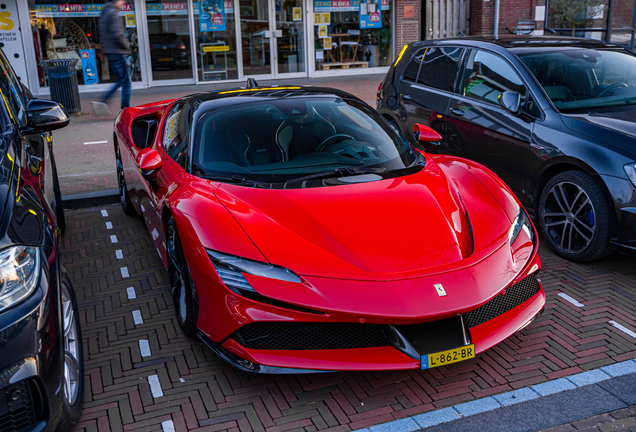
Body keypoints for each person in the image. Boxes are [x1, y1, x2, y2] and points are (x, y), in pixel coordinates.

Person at [93, 0, 131, 115]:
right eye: (122, 1)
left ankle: (104, 101)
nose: (123, 3)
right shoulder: (113, 13)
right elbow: (118, 35)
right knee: (126, 82)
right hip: (118, 51)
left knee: (120, 80)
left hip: (110, 52)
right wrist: (127, 47)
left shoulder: (104, 12)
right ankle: (126, 109)